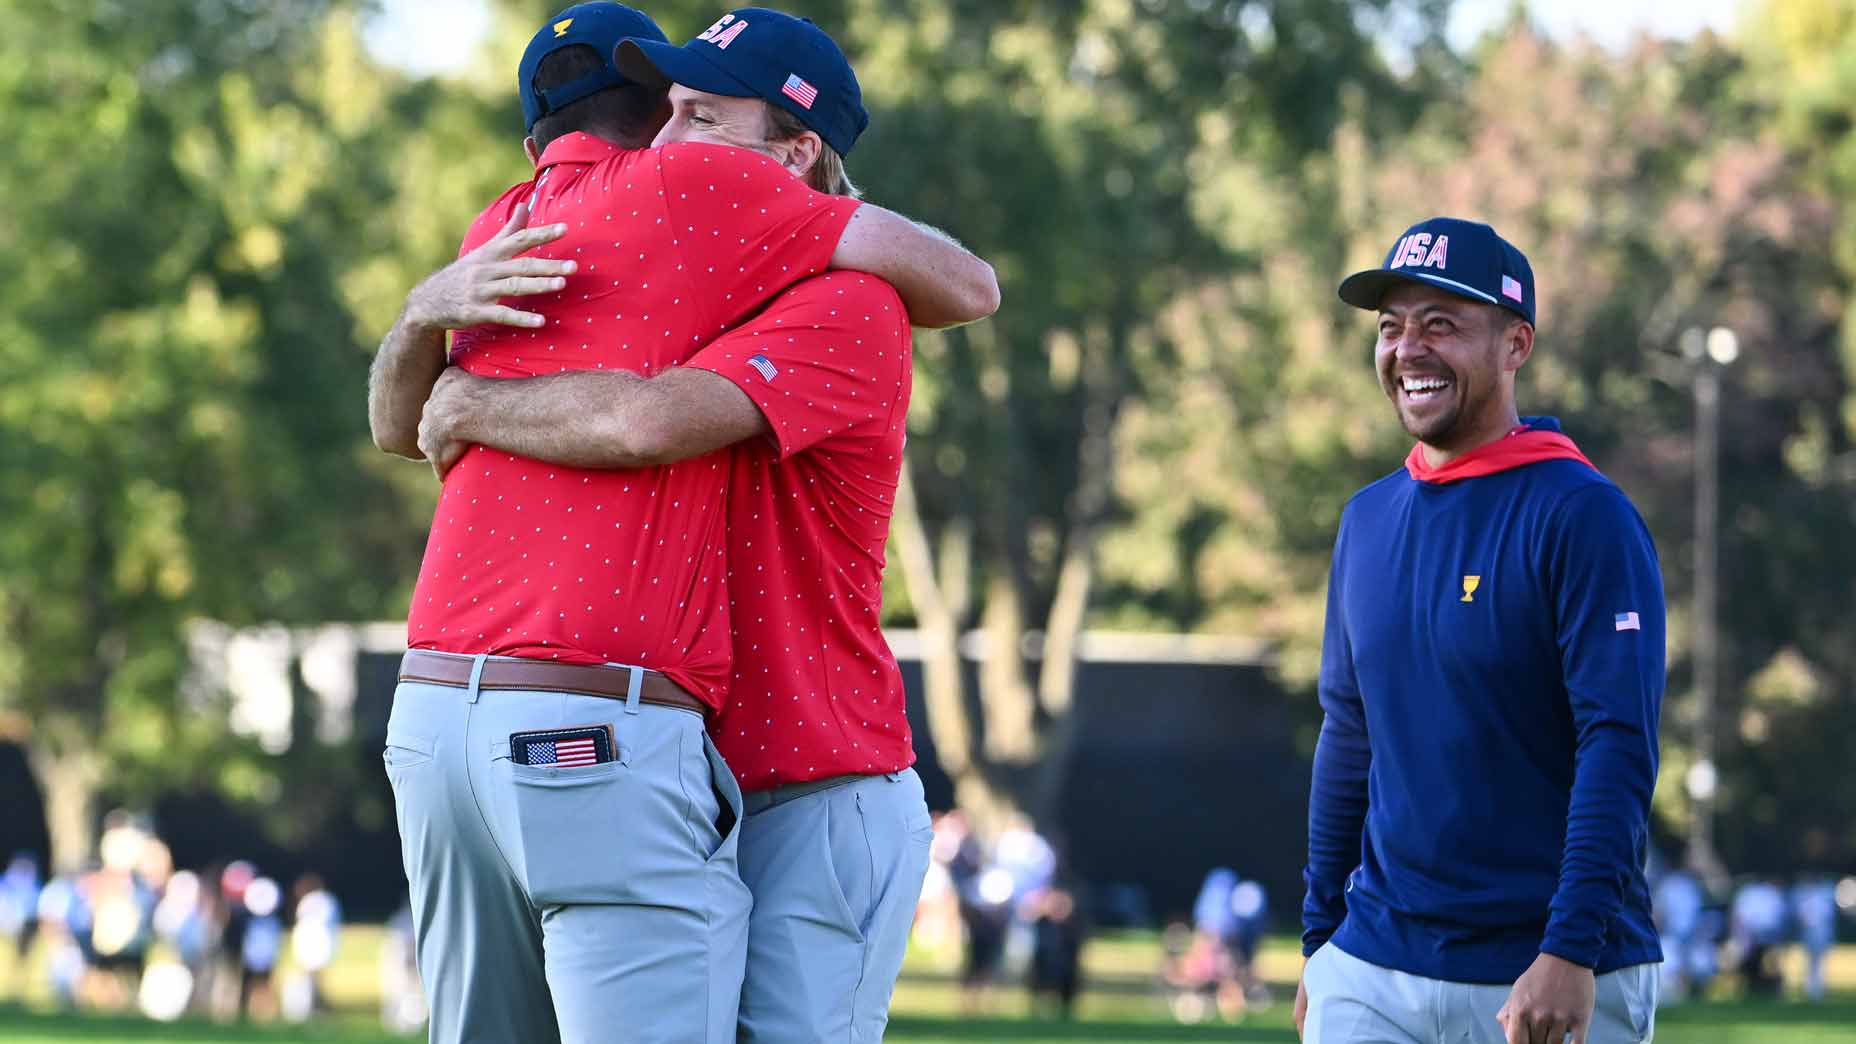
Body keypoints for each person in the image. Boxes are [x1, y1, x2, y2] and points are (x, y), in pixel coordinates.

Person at [366, 5, 995, 1042]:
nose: (661, 145)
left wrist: (472, 404)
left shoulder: (850, 307)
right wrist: (429, 321)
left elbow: (643, 419)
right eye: (663, 112)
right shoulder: (680, 276)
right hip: (699, 767)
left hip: (814, 783)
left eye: (699, 116)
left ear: (794, 154)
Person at [1297, 218, 1665, 1044]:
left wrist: (1570, 949)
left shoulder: (1583, 513)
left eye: (1441, 324)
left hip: (1548, 971)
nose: (1408, 350)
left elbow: (1619, 740)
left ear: (1515, 344)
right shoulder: (1367, 519)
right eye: (1392, 327)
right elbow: (1348, 735)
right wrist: (1321, 944)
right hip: (1374, 966)